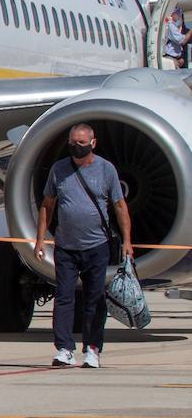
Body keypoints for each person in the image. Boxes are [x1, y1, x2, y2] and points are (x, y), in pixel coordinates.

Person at [33, 123, 132, 369]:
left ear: (92, 143)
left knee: (95, 300)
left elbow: (120, 206)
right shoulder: (59, 170)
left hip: (97, 246)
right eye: (73, 143)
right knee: (64, 298)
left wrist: (127, 241)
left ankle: (92, 349)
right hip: (66, 246)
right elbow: (47, 205)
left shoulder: (106, 169)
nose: (76, 147)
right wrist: (40, 239)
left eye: (81, 143)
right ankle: (65, 349)